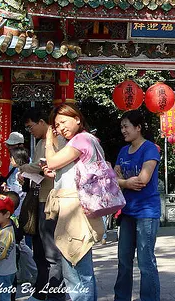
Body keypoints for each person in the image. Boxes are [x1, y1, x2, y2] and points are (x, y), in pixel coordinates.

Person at [44, 103, 104, 301]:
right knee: (81, 270)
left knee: (76, 270)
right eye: (57, 126)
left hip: (76, 211)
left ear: (77, 118)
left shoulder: (82, 139)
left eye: (63, 122)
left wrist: (48, 139)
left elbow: (52, 161)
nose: (60, 128)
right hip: (79, 209)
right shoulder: (86, 140)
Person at [113, 110, 161, 301]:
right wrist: (124, 182)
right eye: (121, 127)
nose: (123, 131)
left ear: (138, 127)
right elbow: (113, 178)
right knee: (124, 260)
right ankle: (121, 298)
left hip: (146, 212)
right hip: (127, 211)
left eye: (126, 126)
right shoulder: (123, 151)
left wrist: (121, 181)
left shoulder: (149, 149)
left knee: (145, 261)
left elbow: (141, 180)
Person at [20, 109, 65, 301]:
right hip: (39, 199)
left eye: (31, 126)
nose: (30, 130)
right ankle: (41, 291)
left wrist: (21, 168)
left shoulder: (59, 141)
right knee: (39, 250)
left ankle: (56, 294)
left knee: (52, 253)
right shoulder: (40, 143)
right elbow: (39, 169)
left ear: (41, 121)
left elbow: (43, 166)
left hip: (52, 201)